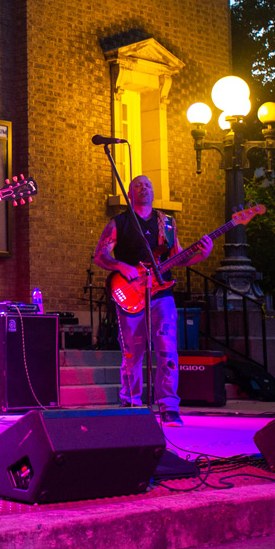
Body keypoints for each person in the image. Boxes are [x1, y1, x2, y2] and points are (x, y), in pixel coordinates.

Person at [93, 175, 212, 427]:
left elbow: (177, 258)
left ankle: (169, 407)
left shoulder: (166, 223)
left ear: (154, 191)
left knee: (167, 350)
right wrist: (121, 265)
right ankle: (131, 403)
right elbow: (100, 256)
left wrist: (203, 254)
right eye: (138, 185)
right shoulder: (119, 223)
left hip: (162, 294)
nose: (144, 187)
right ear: (130, 192)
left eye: (148, 184)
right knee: (132, 352)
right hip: (130, 292)